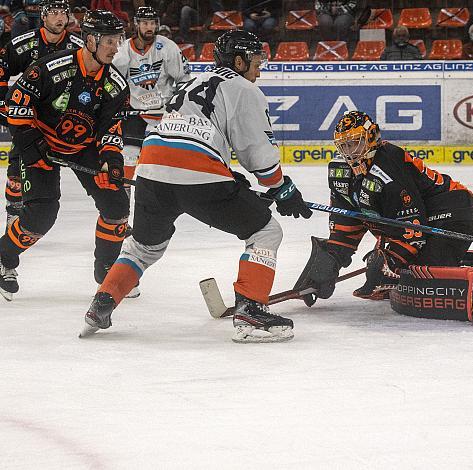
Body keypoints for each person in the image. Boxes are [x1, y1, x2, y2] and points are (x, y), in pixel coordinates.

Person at [80, 30, 312, 343]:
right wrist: (283, 190)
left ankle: (101, 304)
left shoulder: (194, 81)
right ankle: (251, 309)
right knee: (266, 232)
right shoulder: (244, 88)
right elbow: (258, 154)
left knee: (144, 247)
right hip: (197, 171)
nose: (260, 67)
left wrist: (228, 174)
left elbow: (195, 130)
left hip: (152, 167)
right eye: (257, 61)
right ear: (240, 60)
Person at [294, 111, 473, 324]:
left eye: (355, 143)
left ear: (372, 137)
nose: (349, 152)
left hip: (450, 212)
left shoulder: (388, 169)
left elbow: (412, 232)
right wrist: (331, 260)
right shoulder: (340, 172)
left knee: (421, 274)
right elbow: (350, 219)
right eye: (344, 146)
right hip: (415, 218)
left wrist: (390, 262)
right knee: (406, 275)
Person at [0, 10, 130, 301]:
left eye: (117, 40)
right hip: (38, 142)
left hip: (83, 148)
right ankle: (4, 257)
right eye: (109, 40)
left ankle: (106, 267)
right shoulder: (49, 68)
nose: (115, 47)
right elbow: (16, 108)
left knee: (116, 204)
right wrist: (34, 149)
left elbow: (112, 129)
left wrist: (113, 160)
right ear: (90, 40)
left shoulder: (116, 85)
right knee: (40, 217)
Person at [0, 0, 84, 230]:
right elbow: (1, 67)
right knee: (17, 167)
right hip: (30, 120)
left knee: (87, 164)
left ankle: (111, 211)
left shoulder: (79, 46)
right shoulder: (25, 43)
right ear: (43, 17)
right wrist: (3, 103)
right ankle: (14, 214)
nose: (59, 18)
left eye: (63, 13)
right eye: (53, 13)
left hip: (63, 121)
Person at [112, 6, 191, 186]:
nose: (149, 27)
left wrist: (177, 106)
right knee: (129, 156)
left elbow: (184, 79)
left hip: (165, 111)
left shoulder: (167, 47)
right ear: (136, 25)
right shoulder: (123, 52)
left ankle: (177, 194)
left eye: (153, 23)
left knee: (175, 158)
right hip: (136, 111)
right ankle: (123, 198)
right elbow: (114, 84)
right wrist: (118, 106)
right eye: (145, 23)